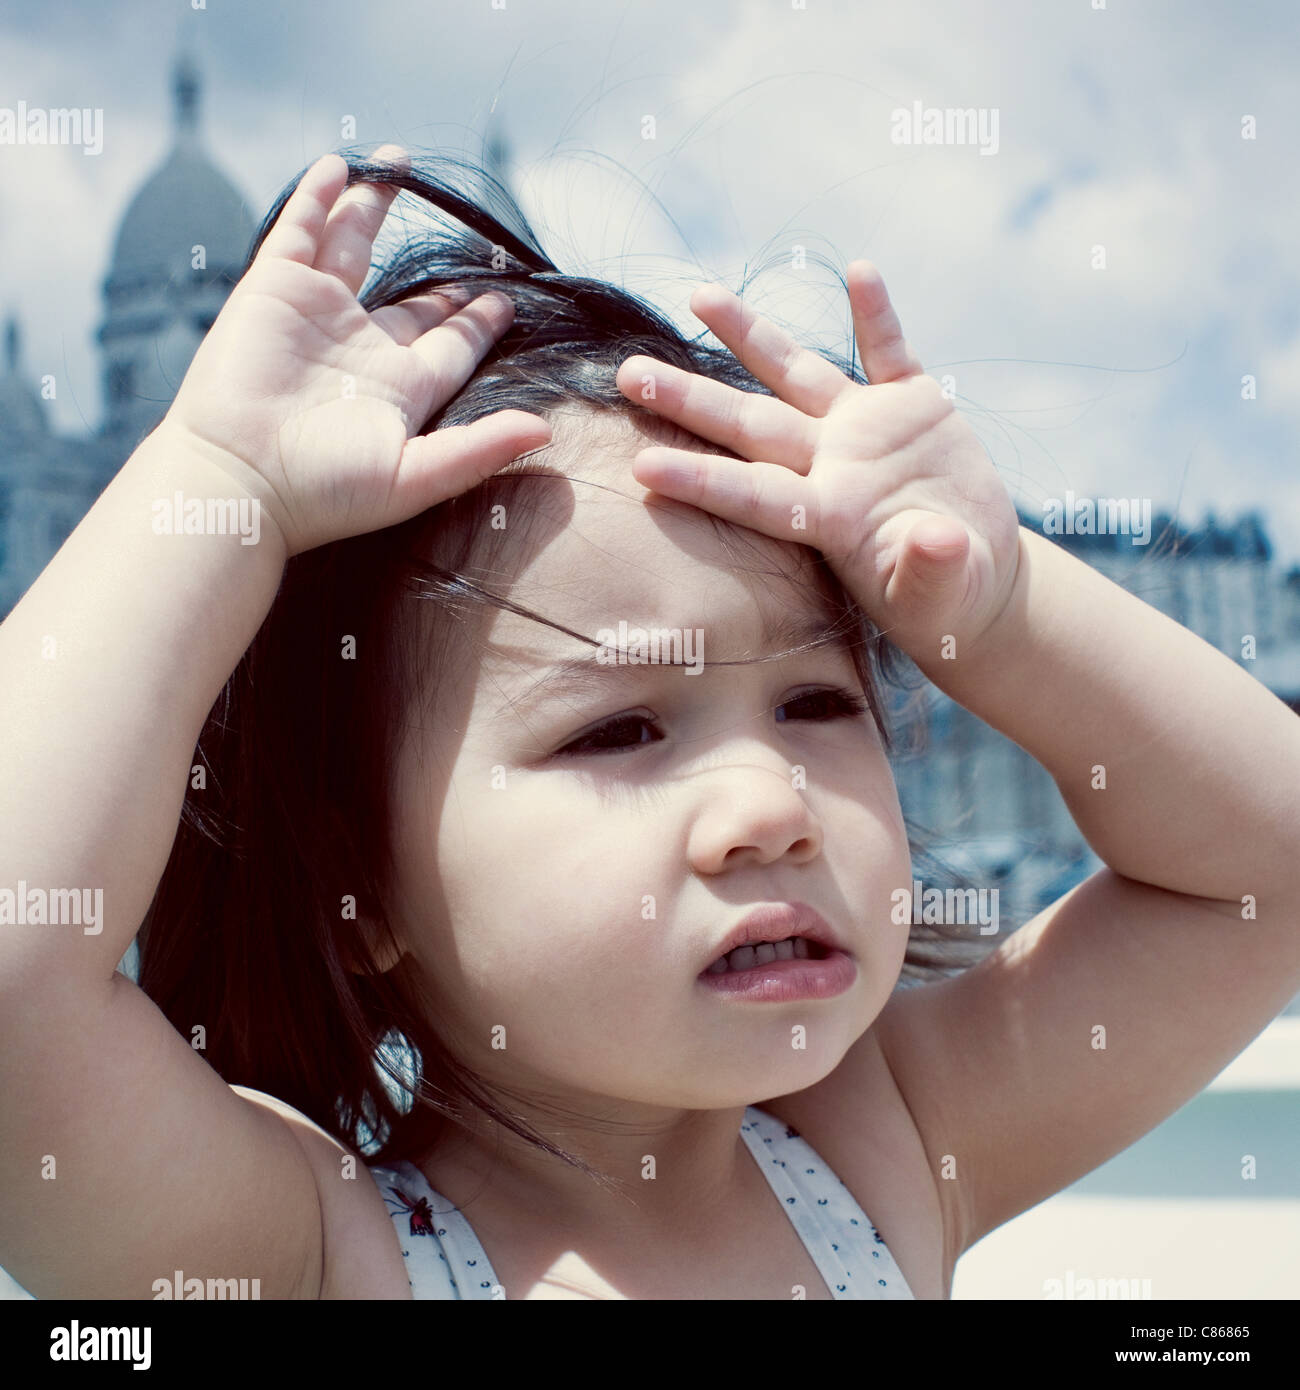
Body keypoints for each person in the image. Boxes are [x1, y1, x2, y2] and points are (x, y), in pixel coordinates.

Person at [2, 146, 1297, 1301]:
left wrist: (1001, 604)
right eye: (620, 730)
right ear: (361, 889)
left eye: (816, 700)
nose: (769, 807)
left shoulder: (882, 1151)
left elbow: (1264, 871)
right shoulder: (320, 1252)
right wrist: (218, 482)